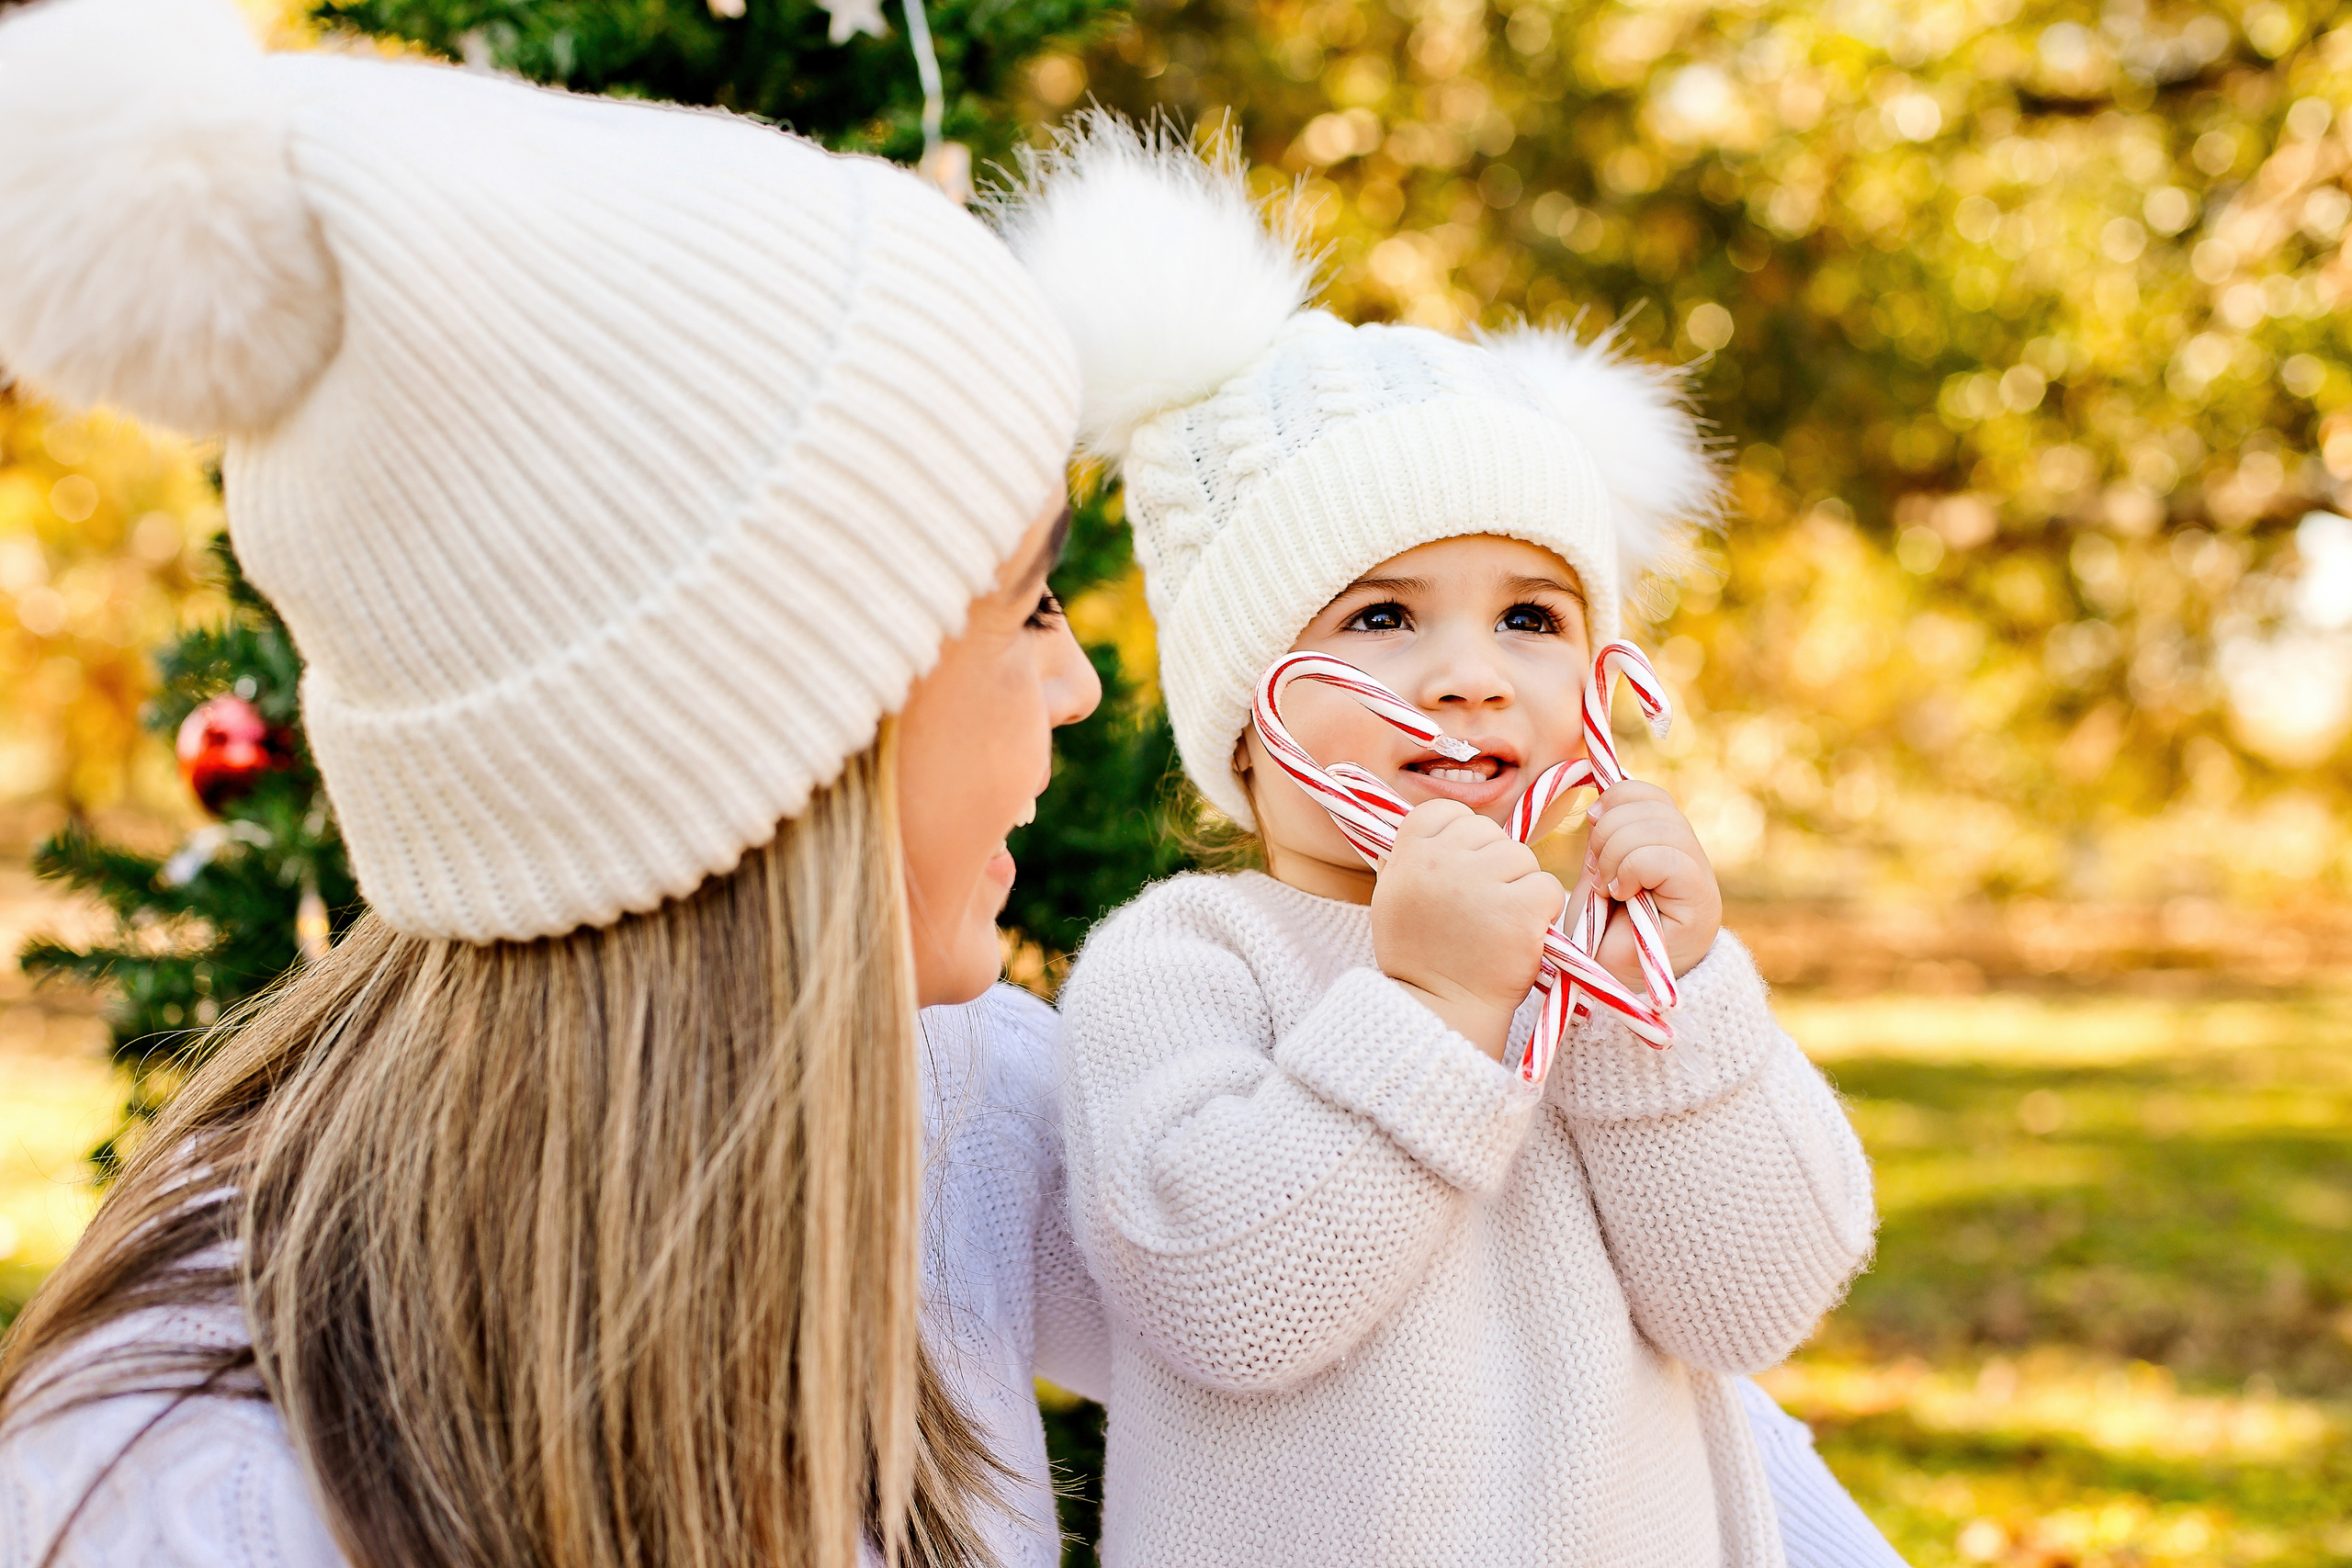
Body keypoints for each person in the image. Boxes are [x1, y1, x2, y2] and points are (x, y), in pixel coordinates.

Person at [0, 0, 1102, 1562]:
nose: (1082, 685)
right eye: (1031, 603)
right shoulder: (194, 1487)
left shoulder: (960, 1106)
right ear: (776, 724)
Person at [995, 116, 1904, 1567]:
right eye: (1383, 616)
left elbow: (1754, 1300)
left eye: (1530, 619)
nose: (1473, 674)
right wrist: (1427, 1011)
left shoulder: (1596, 969)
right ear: (1249, 707)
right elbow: (1224, 1303)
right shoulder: (1181, 964)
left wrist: (1674, 995)